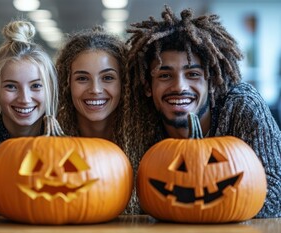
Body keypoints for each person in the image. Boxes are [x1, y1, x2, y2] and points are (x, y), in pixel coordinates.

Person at [126, 5, 281, 218]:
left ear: (211, 82)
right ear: (147, 86)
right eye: (164, 76)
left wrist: (200, 214)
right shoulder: (139, 120)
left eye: (192, 74)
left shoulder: (242, 106)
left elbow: (275, 192)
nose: (179, 86)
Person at [55, 26, 136, 213]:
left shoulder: (147, 142)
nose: (95, 90)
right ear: (67, 84)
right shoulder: (48, 140)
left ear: (124, 84)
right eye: (82, 78)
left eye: (107, 77)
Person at [0, 19, 58, 153]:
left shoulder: (67, 132)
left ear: (50, 89)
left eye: (36, 86)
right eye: (11, 87)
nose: (25, 99)